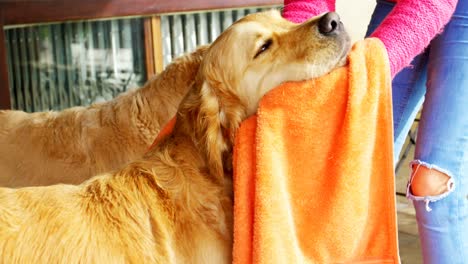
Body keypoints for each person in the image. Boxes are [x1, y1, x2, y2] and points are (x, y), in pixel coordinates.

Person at [282, 0, 467, 263]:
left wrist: (364, 75)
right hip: (398, 4)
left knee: (432, 182)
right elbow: (307, 5)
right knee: (356, 169)